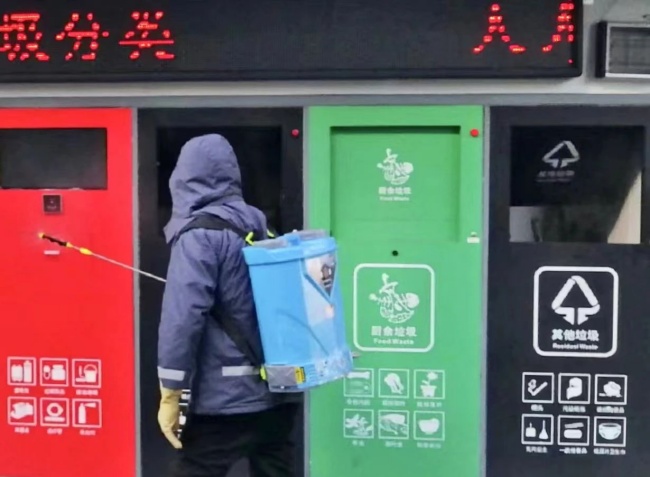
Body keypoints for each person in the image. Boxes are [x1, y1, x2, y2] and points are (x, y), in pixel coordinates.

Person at [156, 134, 300, 477]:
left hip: (224, 402)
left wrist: (171, 392)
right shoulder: (261, 226)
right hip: (277, 395)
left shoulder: (198, 236)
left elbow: (182, 320)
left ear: (183, 179)